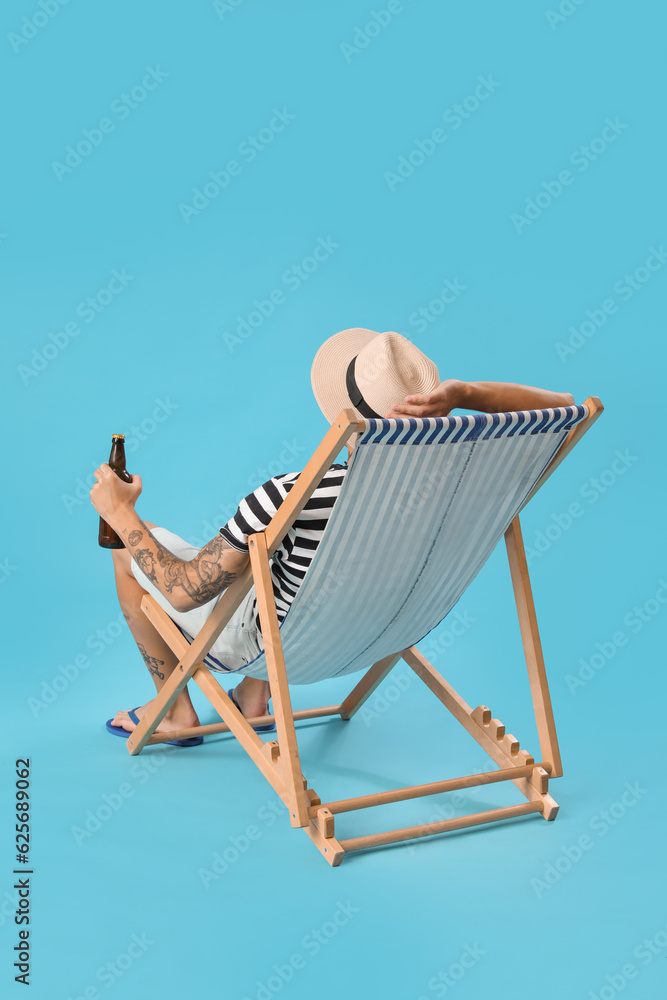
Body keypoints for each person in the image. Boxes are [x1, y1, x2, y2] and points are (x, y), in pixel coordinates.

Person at [91, 328, 573, 744]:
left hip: (278, 649)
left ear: (344, 415)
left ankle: (174, 713)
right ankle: (255, 702)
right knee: (273, 562)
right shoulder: (472, 487)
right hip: (385, 633)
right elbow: (565, 409)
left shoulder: (293, 495)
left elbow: (183, 592)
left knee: (134, 546)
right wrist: (466, 394)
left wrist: (121, 513)